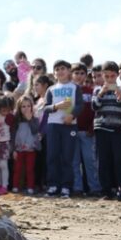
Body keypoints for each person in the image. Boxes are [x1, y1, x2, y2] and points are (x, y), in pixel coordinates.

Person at [92, 61, 121, 201]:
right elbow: (94, 107)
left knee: (120, 161)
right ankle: (106, 191)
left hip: (118, 130)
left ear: (117, 75)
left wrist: (120, 96)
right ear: (103, 76)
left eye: (112, 76)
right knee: (103, 161)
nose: (110, 79)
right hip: (102, 128)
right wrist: (101, 93)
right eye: (107, 76)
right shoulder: (98, 90)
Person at [43, 60, 83, 198]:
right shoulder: (51, 89)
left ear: (68, 71)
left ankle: (66, 187)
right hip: (53, 125)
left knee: (67, 157)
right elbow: (46, 108)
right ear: (54, 73)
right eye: (57, 69)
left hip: (69, 125)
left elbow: (79, 105)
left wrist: (71, 116)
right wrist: (56, 106)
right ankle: (53, 185)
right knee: (52, 156)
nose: (60, 71)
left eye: (63, 68)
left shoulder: (75, 87)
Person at [70, 63, 102, 197]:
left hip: (87, 132)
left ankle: (94, 187)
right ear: (71, 74)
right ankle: (77, 187)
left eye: (82, 73)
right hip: (72, 131)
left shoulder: (91, 91)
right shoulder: (69, 91)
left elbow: (95, 111)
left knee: (90, 161)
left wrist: (91, 127)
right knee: (74, 161)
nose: (79, 76)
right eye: (76, 73)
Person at [11, 95, 40, 194]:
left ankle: (30, 187)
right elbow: (13, 135)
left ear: (32, 107)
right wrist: (13, 149)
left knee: (30, 169)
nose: (26, 108)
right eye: (23, 106)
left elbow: (35, 130)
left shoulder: (35, 119)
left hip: (30, 149)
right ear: (19, 108)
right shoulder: (16, 120)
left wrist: (30, 119)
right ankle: (15, 186)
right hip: (19, 149)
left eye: (28, 106)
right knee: (17, 169)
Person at [0, 94, 15, 195]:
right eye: (3, 110)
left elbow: (13, 130)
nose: (5, 112)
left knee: (3, 165)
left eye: (7, 109)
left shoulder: (10, 117)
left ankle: (5, 185)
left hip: (5, 143)